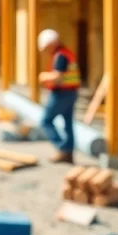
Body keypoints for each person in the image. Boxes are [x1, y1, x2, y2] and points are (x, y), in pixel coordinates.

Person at [37, 28, 81, 163]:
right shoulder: (67, 53)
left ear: (51, 43)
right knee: (68, 124)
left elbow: (57, 77)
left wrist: (44, 77)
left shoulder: (60, 56)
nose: (47, 51)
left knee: (46, 121)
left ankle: (62, 149)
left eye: (46, 48)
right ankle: (68, 153)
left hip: (61, 93)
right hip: (71, 92)